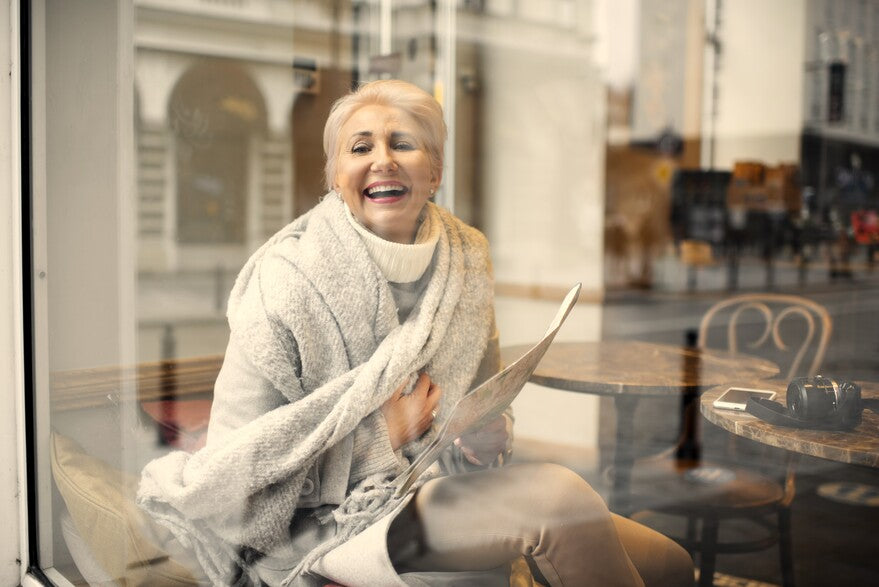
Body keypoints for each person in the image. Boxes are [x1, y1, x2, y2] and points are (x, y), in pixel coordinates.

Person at [139, 80, 693, 587]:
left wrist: (483, 445)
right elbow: (237, 477)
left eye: (402, 143)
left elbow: (475, 404)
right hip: (327, 525)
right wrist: (383, 437)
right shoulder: (283, 282)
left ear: (435, 171)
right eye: (360, 148)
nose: (382, 160)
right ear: (335, 176)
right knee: (558, 497)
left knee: (672, 563)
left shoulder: (466, 257)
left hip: (424, 491)